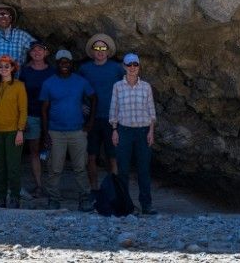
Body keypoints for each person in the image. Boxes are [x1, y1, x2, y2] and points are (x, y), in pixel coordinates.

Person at [40, 50, 94, 210]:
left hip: (78, 131)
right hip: (55, 132)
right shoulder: (48, 83)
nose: (65, 65)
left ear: (72, 64)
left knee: (80, 167)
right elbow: (44, 110)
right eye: (61, 62)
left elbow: (94, 97)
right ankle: (54, 199)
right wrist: (46, 134)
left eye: (67, 62)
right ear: (57, 64)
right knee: (54, 168)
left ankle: (84, 199)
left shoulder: (81, 82)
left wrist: (89, 122)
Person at [109, 53, 157, 215]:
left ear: (139, 67)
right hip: (124, 131)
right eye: (129, 65)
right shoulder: (117, 86)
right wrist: (114, 131)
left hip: (143, 132)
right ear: (124, 66)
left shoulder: (146, 86)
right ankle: (125, 205)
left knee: (143, 170)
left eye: (135, 65)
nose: (132, 68)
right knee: (123, 170)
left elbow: (151, 111)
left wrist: (151, 132)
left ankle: (146, 205)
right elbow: (114, 110)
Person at [80, 34, 125, 193]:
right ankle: (94, 190)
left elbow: (125, 88)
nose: (100, 51)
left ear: (108, 51)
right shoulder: (84, 69)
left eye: (103, 48)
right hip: (91, 119)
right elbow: (76, 89)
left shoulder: (116, 68)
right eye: (97, 48)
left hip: (111, 119)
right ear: (92, 51)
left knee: (112, 156)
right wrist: (80, 105)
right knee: (91, 156)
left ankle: (114, 190)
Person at [0, 55, 27, 208]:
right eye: (1, 66)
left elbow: (23, 110)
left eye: (7, 66)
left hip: (12, 131)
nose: (3, 69)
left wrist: (20, 130)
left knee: (13, 166)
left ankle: (15, 197)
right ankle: (0, 197)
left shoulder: (19, 86)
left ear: (12, 68)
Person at [18, 40, 53, 199]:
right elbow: (20, 95)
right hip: (31, 114)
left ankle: (52, 186)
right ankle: (39, 185)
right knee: (34, 151)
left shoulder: (52, 71)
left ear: (46, 53)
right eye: (34, 50)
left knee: (52, 151)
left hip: (52, 116)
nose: (37, 52)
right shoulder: (25, 72)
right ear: (30, 54)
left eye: (41, 49)